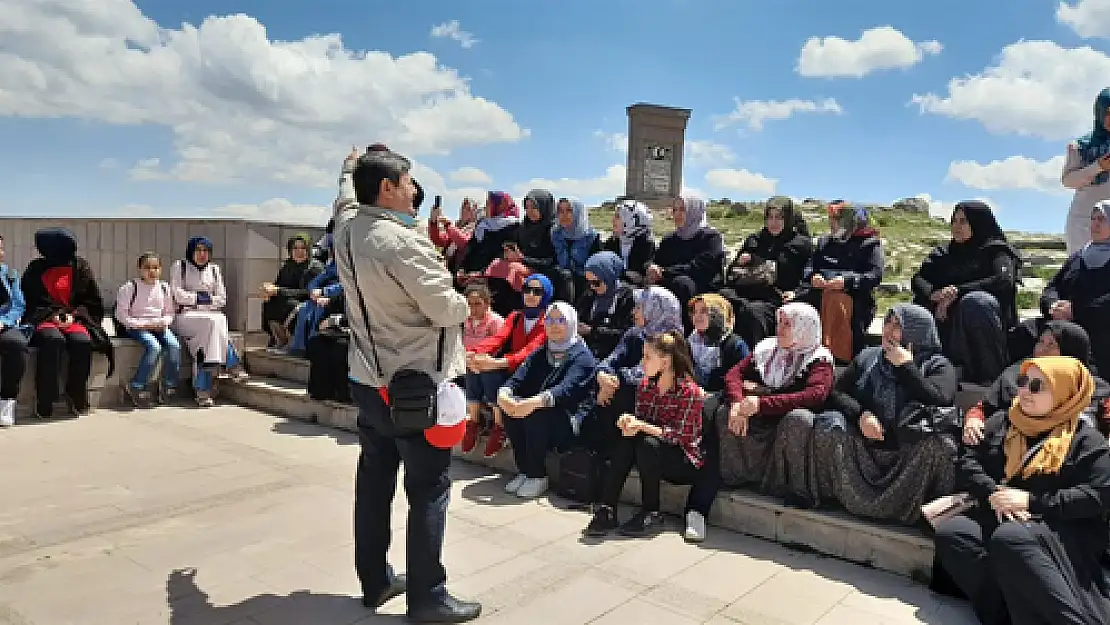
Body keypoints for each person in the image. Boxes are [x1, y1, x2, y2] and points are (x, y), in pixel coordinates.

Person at [337, 146, 480, 622]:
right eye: (406, 182)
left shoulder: (346, 227)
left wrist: (348, 167)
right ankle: (428, 596)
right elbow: (445, 309)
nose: (413, 189)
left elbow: (343, 199)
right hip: (413, 384)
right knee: (430, 488)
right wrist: (466, 301)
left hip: (366, 378)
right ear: (386, 189)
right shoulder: (400, 242)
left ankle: (375, 581)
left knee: (375, 483)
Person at [934, 357, 1110, 625]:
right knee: (955, 533)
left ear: (1065, 393)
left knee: (1011, 536)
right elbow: (967, 460)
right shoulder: (1005, 422)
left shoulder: (1086, 441)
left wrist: (1031, 501)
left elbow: (1096, 495)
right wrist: (993, 492)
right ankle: (1004, 616)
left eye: (1037, 385)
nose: (1024, 390)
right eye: (1023, 382)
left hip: (1059, 528)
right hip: (1004, 515)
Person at [777, 304, 958, 523]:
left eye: (897, 326)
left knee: (943, 445)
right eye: (887, 323)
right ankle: (831, 496)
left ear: (916, 332)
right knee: (830, 424)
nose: (888, 331)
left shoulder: (937, 365)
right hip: (863, 449)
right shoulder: (869, 357)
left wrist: (906, 367)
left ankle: (924, 515)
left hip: (908, 454)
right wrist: (861, 415)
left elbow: (940, 399)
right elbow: (836, 392)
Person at [584, 331, 710, 539]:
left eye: (647, 357)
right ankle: (608, 507)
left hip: (683, 458)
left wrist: (641, 425)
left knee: (648, 445)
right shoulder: (645, 385)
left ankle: (651, 512)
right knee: (627, 440)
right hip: (652, 447)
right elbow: (643, 420)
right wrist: (629, 423)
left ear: (665, 362)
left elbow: (680, 437)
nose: (642, 362)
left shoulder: (690, 392)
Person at [717, 303, 835, 488]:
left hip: (787, 415)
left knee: (798, 420)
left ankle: (789, 487)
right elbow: (734, 374)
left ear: (803, 328)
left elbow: (815, 395)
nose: (780, 329)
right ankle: (739, 476)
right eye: (779, 322)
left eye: (788, 324)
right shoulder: (768, 348)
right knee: (725, 411)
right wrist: (737, 403)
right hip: (764, 410)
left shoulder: (818, 358)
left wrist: (762, 403)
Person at [911, 201, 1021, 385]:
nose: (956, 226)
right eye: (954, 221)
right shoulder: (944, 253)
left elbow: (1003, 281)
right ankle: (921, 369)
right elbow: (918, 279)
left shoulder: (995, 250)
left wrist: (957, 292)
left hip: (986, 324)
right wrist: (934, 294)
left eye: (963, 221)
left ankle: (988, 375)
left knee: (976, 301)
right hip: (946, 318)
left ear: (978, 222)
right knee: (911, 309)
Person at [497, 302, 597, 499]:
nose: (554, 325)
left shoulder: (582, 356)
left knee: (535, 412)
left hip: (571, 422)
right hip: (542, 412)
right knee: (510, 410)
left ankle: (537, 475)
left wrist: (531, 403)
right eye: (549, 320)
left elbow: (565, 390)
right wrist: (504, 394)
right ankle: (525, 470)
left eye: (561, 320)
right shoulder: (543, 351)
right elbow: (519, 376)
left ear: (571, 323)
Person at [459, 274, 550, 457]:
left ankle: (500, 427)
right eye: (527, 290)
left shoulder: (548, 321)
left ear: (546, 295)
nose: (530, 295)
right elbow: (498, 339)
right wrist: (475, 353)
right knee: (478, 368)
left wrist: (497, 362)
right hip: (512, 370)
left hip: (531, 375)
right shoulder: (516, 316)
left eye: (537, 291)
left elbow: (530, 351)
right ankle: (475, 421)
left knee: (489, 371)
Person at [1017, 201, 1110, 378]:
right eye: (1093, 218)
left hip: (1098, 326)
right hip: (1062, 323)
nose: (1095, 224)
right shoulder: (1079, 256)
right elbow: (1053, 286)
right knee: (1025, 331)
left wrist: (1076, 310)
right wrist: (1053, 305)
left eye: (1102, 219)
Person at [21, 228, 104, 418]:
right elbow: (32, 298)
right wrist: (54, 315)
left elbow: (90, 299)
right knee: (52, 340)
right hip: (45, 318)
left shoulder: (80, 267)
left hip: (74, 317)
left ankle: (76, 394)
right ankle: (45, 397)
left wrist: (74, 315)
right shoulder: (36, 268)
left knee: (82, 342)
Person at [719, 196, 814, 347]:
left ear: (788, 219)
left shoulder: (800, 245)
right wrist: (741, 263)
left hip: (775, 299)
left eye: (779, 218)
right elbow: (732, 274)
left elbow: (807, 277)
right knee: (721, 299)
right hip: (745, 294)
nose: (773, 222)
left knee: (754, 312)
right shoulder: (755, 240)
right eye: (770, 217)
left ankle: (754, 361)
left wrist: (797, 293)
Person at [795, 203, 883, 362]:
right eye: (831, 219)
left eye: (836, 220)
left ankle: (836, 358)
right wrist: (813, 277)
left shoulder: (869, 244)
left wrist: (847, 281)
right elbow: (809, 267)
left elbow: (875, 275)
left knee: (835, 300)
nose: (832, 224)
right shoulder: (825, 242)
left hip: (854, 298)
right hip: (820, 292)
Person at [170, 236, 247, 408]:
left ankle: (202, 390)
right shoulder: (180, 267)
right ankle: (232, 362)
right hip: (185, 317)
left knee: (210, 333)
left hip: (209, 318)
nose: (202, 254)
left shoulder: (214, 269)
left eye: (205, 251)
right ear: (191, 251)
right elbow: (178, 294)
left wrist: (195, 299)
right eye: (198, 250)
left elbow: (222, 299)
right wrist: (203, 299)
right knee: (214, 321)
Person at [647, 196, 725, 328]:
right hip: (673, 282)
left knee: (683, 283)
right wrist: (652, 270)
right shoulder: (669, 240)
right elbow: (657, 262)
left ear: (693, 211)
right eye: (674, 210)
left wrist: (665, 272)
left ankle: (685, 334)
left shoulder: (711, 237)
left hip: (702, 286)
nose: (677, 214)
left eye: (682, 210)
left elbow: (699, 268)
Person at [115, 252, 181, 408]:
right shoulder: (130, 287)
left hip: (158, 326)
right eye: (147, 268)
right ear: (139, 269)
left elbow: (169, 312)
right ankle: (137, 385)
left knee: (174, 345)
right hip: (136, 326)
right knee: (154, 347)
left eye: (155, 268)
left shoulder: (165, 288)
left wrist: (162, 323)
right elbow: (121, 314)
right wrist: (141, 325)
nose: (152, 272)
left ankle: (168, 384)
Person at [1062, 88, 1110, 254]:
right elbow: (1068, 180)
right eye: (1109, 112)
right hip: (1085, 224)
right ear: (1100, 112)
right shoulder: (1081, 146)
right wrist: (1099, 167)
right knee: (1083, 273)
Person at [260, 235, 323, 350]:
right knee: (270, 303)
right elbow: (278, 285)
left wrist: (279, 291)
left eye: (303, 248)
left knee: (291, 306)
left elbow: (307, 292)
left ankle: (293, 342)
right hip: (288, 298)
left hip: (308, 302)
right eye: (295, 248)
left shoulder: (315, 268)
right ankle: (279, 339)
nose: (299, 251)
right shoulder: (288, 266)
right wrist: (268, 291)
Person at [576, 251, 635, 360]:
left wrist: (592, 331)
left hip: (613, 355)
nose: (592, 287)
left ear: (608, 277)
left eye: (596, 283)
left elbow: (626, 334)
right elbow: (579, 315)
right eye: (589, 282)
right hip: (585, 350)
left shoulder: (627, 297)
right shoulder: (590, 293)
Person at [551, 197, 602, 303]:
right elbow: (551, 259)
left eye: (569, 210)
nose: (564, 215)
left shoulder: (591, 237)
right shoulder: (555, 234)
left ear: (578, 213)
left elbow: (596, 268)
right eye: (560, 211)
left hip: (584, 283)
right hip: (560, 280)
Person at [0, 234, 27, 427]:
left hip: (4, 323)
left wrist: (3, 321)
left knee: (16, 344)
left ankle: (7, 401)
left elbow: (18, 304)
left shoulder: (10, 274)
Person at [602, 199, 655, 285]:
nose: (613, 220)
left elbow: (639, 277)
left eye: (618, 217)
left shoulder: (646, 243)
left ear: (631, 220)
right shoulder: (613, 241)